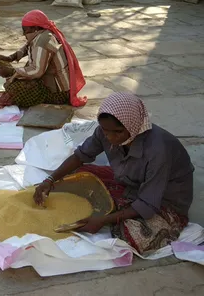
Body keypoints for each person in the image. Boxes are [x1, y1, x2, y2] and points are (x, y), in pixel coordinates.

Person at [33, 92, 194, 255]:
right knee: (80, 173)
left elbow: (147, 204)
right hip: (132, 182)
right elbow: (80, 156)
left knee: (135, 236)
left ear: (133, 126)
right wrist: (50, 179)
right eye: (105, 130)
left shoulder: (158, 151)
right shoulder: (105, 132)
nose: (110, 137)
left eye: (117, 132)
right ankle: (118, 205)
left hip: (164, 200)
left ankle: (118, 210)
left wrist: (103, 221)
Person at [0, 10, 87, 109]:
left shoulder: (42, 42)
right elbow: (28, 46)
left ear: (35, 28)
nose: (23, 34)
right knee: (16, 80)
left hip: (58, 93)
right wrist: (11, 57)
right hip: (51, 84)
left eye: (25, 30)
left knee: (16, 87)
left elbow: (37, 70)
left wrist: (12, 71)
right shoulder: (43, 34)